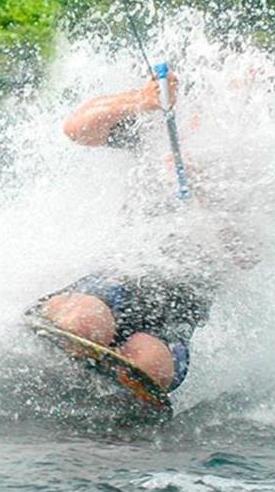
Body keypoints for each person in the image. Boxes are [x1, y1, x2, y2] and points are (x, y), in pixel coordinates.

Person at [28, 70, 253, 393]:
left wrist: (206, 193)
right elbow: (76, 129)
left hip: (180, 302)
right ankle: (57, 322)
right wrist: (141, 101)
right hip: (122, 275)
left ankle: (114, 391)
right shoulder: (153, 129)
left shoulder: (245, 165)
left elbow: (246, 255)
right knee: (83, 322)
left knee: (149, 365)